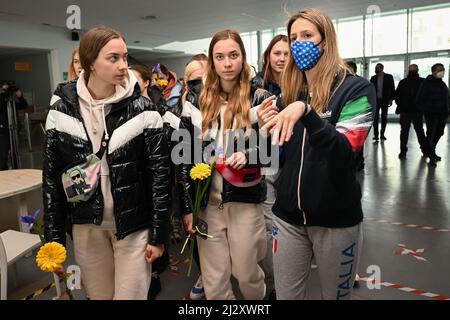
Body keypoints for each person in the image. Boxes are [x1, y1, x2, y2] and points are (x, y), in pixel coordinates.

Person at [43, 26, 169, 300]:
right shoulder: (61, 109)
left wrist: (159, 235)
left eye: (125, 57)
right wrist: (53, 240)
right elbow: (52, 178)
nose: (124, 65)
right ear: (89, 63)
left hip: (133, 227)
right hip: (86, 226)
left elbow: (159, 177)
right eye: (113, 58)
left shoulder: (144, 110)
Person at [259, 8, 376, 300]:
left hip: (336, 221)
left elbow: (344, 153)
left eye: (307, 35)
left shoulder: (357, 90)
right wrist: (262, 135)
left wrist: (308, 113)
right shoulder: (291, 93)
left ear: (325, 41)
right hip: (287, 219)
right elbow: (280, 156)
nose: (298, 43)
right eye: (293, 37)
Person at [178, 29, 271, 300]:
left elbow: (274, 150)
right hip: (206, 204)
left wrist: (250, 155)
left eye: (233, 55)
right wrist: (187, 206)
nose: (227, 63)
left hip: (244, 200)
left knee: (246, 273)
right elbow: (184, 156)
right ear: (212, 61)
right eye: (220, 57)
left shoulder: (259, 97)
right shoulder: (195, 99)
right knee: (214, 279)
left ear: (243, 58)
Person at [129, 64, 171, 300]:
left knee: (153, 229)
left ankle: (154, 273)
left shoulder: (158, 108)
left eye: (135, 79)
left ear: (146, 82)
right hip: (134, 184)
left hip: (153, 178)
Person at [253, 34, 289, 300]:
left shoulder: (304, 85)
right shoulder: (256, 89)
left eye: (287, 53)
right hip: (266, 164)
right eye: (277, 53)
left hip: (294, 165)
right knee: (268, 226)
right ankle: (273, 285)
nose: (281, 58)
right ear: (268, 57)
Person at [181, 58, 208, 300]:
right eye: (194, 80)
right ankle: (206, 274)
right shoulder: (181, 110)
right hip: (186, 178)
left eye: (204, 78)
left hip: (213, 178)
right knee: (194, 231)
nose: (200, 85)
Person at [416, 63, 450, 166]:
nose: (442, 71)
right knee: (431, 135)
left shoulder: (442, 83)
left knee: (439, 133)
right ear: (433, 71)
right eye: (440, 70)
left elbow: (447, 97)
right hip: (432, 115)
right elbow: (420, 99)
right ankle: (431, 157)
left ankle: (431, 151)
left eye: (443, 69)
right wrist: (427, 111)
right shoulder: (427, 83)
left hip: (442, 114)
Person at [394, 64, 428, 159]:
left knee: (406, 131)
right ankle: (424, 150)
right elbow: (397, 95)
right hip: (414, 111)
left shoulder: (403, 82)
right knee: (418, 131)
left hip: (408, 110)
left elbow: (397, 96)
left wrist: (401, 104)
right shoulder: (422, 82)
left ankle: (403, 151)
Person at [0, 82, 29, 170]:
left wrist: (20, 96)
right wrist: (3, 93)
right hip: (3, 132)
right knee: (3, 155)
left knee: (14, 154)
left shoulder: (10, 102)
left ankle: (14, 170)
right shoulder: (1, 101)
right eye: (4, 89)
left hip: (13, 130)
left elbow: (24, 105)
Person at [346, 61, 365, 171]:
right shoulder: (342, 81)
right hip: (346, 115)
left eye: (349, 70)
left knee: (358, 141)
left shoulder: (360, 83)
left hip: (358, 115)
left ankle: (359, 163)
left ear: (354, 70)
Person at [370, 63, 395, 141]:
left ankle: (382, 134)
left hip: (385, 100)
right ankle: (376, 135)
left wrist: (391, 99)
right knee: (375, 118)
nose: (376, 69)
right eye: (376, 68)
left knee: (384, 118)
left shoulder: (389, 77)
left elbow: (392, 88)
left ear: (382, 68)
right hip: (376, 101)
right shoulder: (373, 78)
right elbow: (370, 89)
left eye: (378, 68)